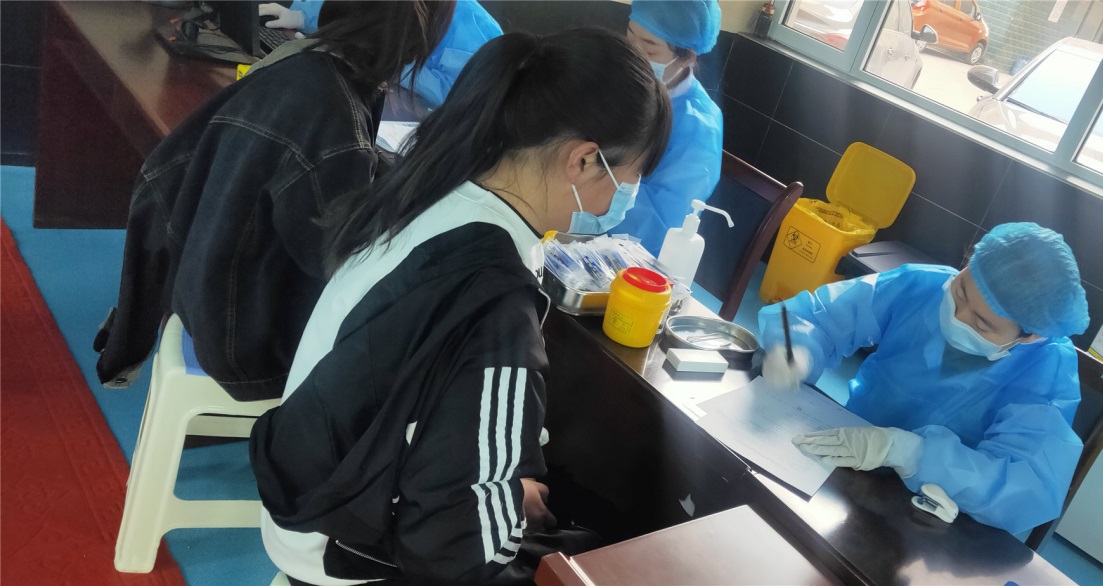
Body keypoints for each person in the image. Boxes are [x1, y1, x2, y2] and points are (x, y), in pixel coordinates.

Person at [249, 28, 671, 585]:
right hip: (339, 543)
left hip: (312, 491)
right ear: (584, 160)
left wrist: (501, 484)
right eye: (629, 179)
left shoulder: (439, 190)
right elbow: (458, 554)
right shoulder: (496, 303)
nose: (624, 199)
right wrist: (504, 503)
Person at [94, 1, 455, 400]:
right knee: (430, 347)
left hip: (208, 291)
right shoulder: (336, 123)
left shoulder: (303, 63)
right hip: (246, 345)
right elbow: (338, 272)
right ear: (419, 36)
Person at [759, 223, 1089, 535]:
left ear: (1030, 336)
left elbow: (1027, 487)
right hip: (842, 452)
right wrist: (795, 348)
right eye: (961, 292)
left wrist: (910, 453)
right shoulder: (921, 286)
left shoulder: (1046, 368)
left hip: (927, 509)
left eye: (981, 324)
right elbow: (818, 314)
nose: (957, 316)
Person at [613, 0, 724, 256]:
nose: (634, 55)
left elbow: (660, 224)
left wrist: (592, 184)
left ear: (686, 57)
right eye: (630, 37)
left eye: (650, 50)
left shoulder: (698, 128)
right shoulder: (620, 80)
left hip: (626, 254)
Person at [261, 0, 501, 109]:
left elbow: (458, 94)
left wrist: (380, 56)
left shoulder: (477, 31)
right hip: (365, 85)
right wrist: (304, 16)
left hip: (408, 116)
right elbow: (359, 11)